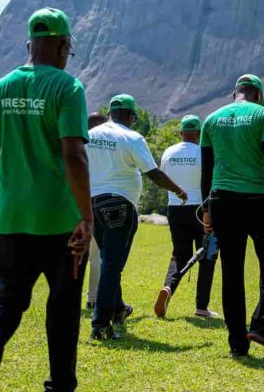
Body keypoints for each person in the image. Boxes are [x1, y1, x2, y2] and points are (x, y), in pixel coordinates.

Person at [0, 7, 97, 392]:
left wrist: (17, 183)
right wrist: (86, 217)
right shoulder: (67, 88)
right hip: (61, 225)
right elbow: (74, 154)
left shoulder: (0, 88)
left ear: (28, 45)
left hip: (13, 220)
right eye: (68, 47)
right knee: (64, 306)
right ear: (61, 45)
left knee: (7, 301)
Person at [201, 74, 264, 357]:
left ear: (235, 94)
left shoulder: (211, 119)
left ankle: (237, 344)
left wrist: (206, 210)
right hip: (259, 200)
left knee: (232, 271)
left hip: (222, 200)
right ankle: (262, 325)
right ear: (258, 95)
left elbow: (206, 171)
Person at [86, 94, 187, 340]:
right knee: (112, 265)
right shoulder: (132, 137)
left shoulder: (89, 135)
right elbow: (153, 173)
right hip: (119, 203)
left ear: (110, 112)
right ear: (131, 116)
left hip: (92, 203)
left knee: (109, 259)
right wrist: (177, 189)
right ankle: (100, 325)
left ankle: (119, 309)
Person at [154, 114, 219, 319]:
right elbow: (213, 182)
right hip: (202, 210)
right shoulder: (204, 152)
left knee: (180, 254)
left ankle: (168, 288)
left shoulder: (168, 152)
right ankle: (201, 306)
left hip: (175, 208)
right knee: (208, 255)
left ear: (181, 133)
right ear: (199, 134)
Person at [84, 112, 107, 311]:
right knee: (97, 256)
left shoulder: (77, 143)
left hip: (75, 204)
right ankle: (93, 298)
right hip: (98, 204)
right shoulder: (108, 147)